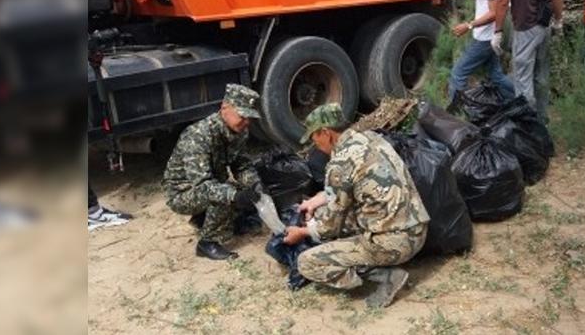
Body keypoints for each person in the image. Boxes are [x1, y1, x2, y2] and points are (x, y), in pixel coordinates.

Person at [282, 103, 429, 308]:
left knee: (307, 262)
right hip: (417, 229)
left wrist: (302, 232)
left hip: (395, 244)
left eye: (314, 138)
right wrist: (318, 199)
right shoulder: (371, 138)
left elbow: (329, 228)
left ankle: (385, 276)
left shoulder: (340, 163)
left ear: (326, 133)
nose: (315, 144)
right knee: (325, 211)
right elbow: (356, 183)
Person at [163, 84, 265, 261]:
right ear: (224, 108)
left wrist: (255, 185)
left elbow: (241, 165)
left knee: (240, 191)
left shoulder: (239, 133)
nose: (246, 122)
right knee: (225, 195)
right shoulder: (198, 136)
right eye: (242, 116)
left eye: (249, 117)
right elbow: (202, 184)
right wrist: (235, 196)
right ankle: (208, 243)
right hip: (182, 193)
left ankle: (202, 219)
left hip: (210, 184)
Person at [416, 0, 514, 102]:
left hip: (485, 39)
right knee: (496, 76)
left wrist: (468, 25)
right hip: (486, 37)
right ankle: (521, 98)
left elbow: (494, 13)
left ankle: (455, 110)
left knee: (458, 73)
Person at [493, 0, 562, 122]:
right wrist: (558, 21)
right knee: (541, 76)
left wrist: (498, 31)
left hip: (524, 28)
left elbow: (503, 1)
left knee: (523, 79)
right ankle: (541, 118)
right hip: (544, 26)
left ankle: (528, 125)